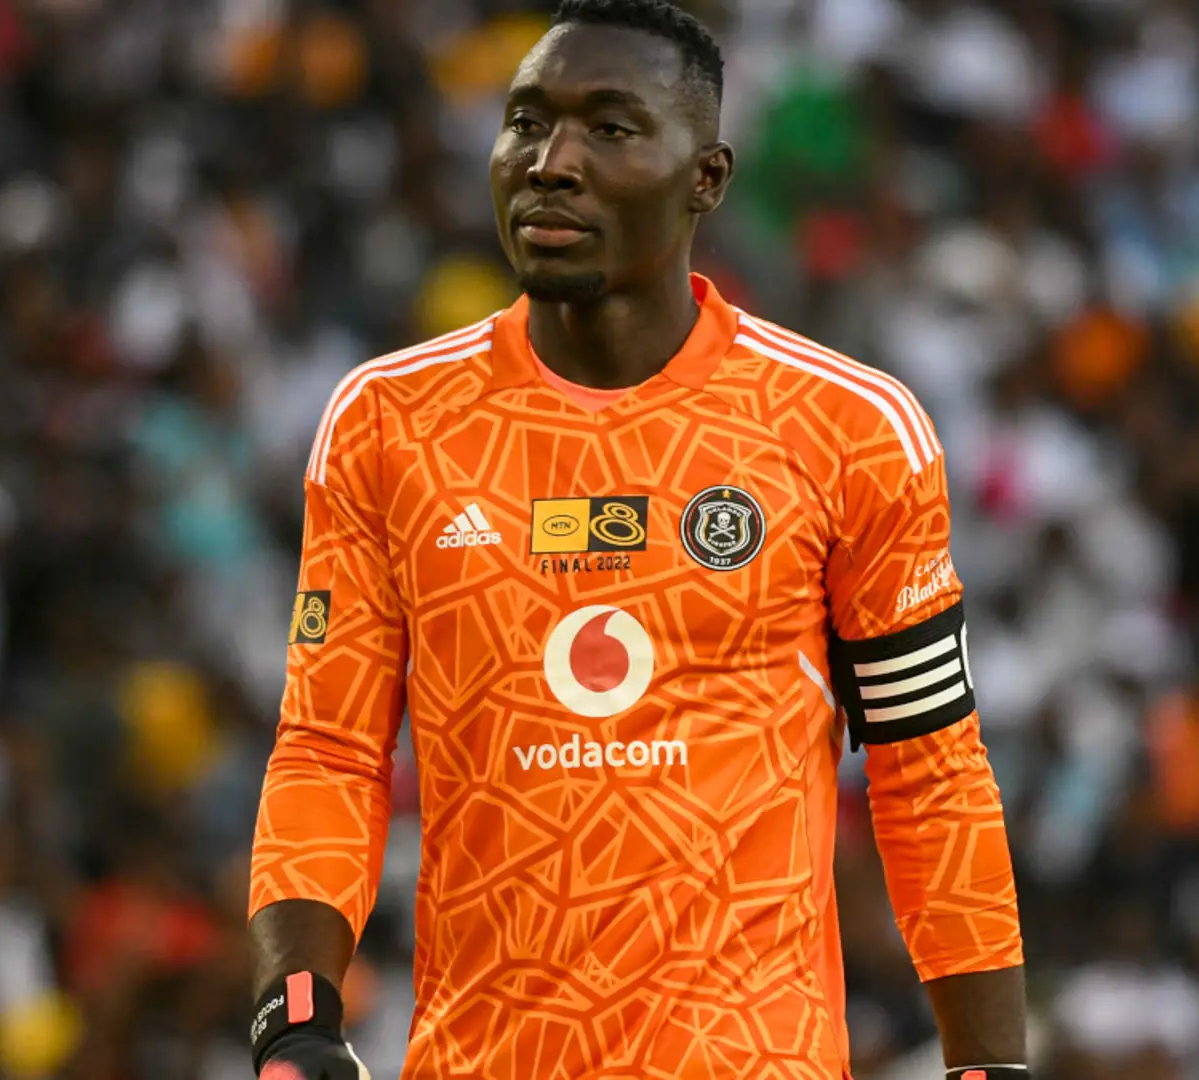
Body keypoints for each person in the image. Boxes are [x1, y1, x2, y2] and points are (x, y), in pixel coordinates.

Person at [245, 2, 1029, 1077]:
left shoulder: (847, 430)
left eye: (609, 128)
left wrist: (988, 1067)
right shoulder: (388, 424)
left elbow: (930, 773)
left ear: (707, 177)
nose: (551, 164)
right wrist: (296, 1021)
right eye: (527, 124)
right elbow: (328, 751)